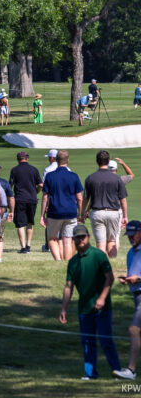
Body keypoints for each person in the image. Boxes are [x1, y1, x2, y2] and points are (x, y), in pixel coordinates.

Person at [59, 224, 121, 380]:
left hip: (102, 308)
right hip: (84, 308)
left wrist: (102, 298)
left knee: (106, 340)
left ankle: (117, 371)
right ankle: (90, 374)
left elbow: (110, 278)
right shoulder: (72, 262)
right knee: (87, 342)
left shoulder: (98, 255)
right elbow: (68, 286)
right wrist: (63, 309)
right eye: (77, 237)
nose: (80, 240)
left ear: (88, 237)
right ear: (73, 239)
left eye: (83, 237)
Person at [81, 150, 128, 258]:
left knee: (101, 243)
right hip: (113, 213)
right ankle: (111, 266)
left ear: (97, 161)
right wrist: (125, 216)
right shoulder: (117, 178)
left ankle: (102, 268)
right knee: (112, 241)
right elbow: (123, 199)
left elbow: (85, 199)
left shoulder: (90, 178)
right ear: (108, 161)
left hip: (97, 213)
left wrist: (82, 213)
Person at [41, 150, 82, 262]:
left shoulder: (49, 176)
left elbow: (45, 197)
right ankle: (67, 263)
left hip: (54, 212)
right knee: (68, 240)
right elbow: (79, 198)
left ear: (56, 160)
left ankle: (58, 261)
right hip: (70, 212)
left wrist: (42, 215)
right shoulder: (74, 176)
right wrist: (81, 213)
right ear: (67, 160)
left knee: (52, 238)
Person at [114, 221, 141, 379]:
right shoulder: (131, 252)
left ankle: (131, 370)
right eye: (129, 234)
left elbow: (137, 277)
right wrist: (128, 280)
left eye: (134, 233)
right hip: (136, 297)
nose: (131, 237)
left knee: (134, 329)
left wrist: (136, 279)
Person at [8, 151, 42, 254]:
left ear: (18, 159)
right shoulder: (34, 169)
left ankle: (23, 247)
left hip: (19, 198)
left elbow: (10, 185)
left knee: (20, 224)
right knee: (30, 222)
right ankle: (28, 245)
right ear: (27, 158)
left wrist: (10, 196)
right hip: (32, 199)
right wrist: (35, 192)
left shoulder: (14, 170)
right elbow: (40, 185)